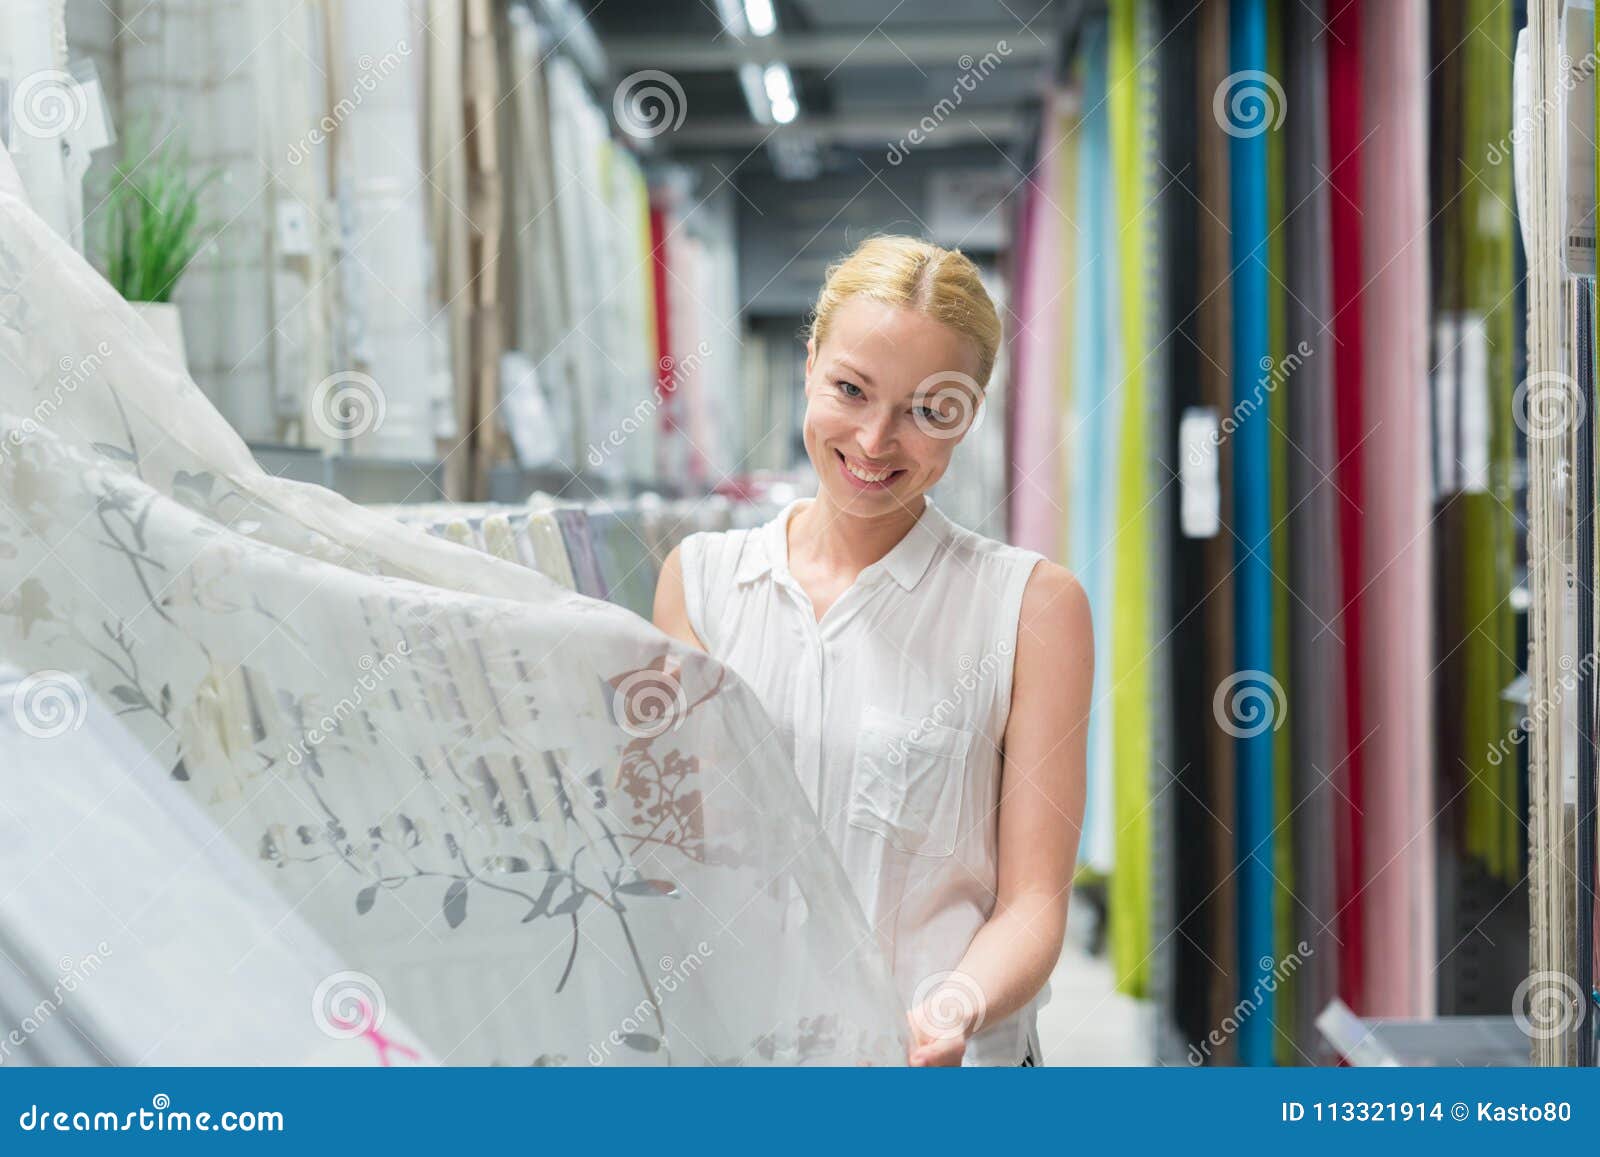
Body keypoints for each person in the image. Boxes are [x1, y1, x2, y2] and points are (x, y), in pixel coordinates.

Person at [653, 235, 1092, 1066]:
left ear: (972, 411)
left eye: (929, 409)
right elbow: (681, 852)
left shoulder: (1032, 607)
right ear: (809, 363)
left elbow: (1034, 899)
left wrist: (954, 1008)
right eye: (850, 389)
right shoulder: (702, 583)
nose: (876, 438)